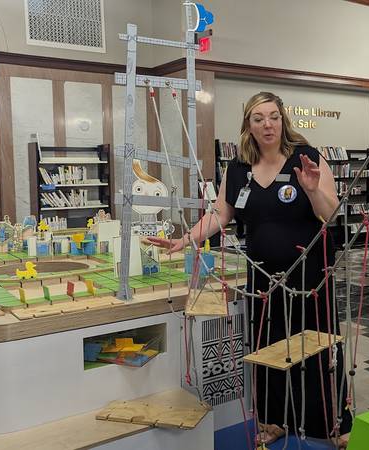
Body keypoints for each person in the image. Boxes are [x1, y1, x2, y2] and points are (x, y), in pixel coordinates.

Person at [148, 91, 351, 447]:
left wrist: (313, 188)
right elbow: (221, 214)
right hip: (262, 276)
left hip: (309, 274)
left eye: (273, 116)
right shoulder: (238, 168)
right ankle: (275, 421)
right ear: (249, 125)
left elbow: (330, 213)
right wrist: (186, 240)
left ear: (282, 119)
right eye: (258, 118)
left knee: (317, 343)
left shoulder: (308, 158)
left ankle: (332, 423)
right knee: (269, 346)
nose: (267, 124)